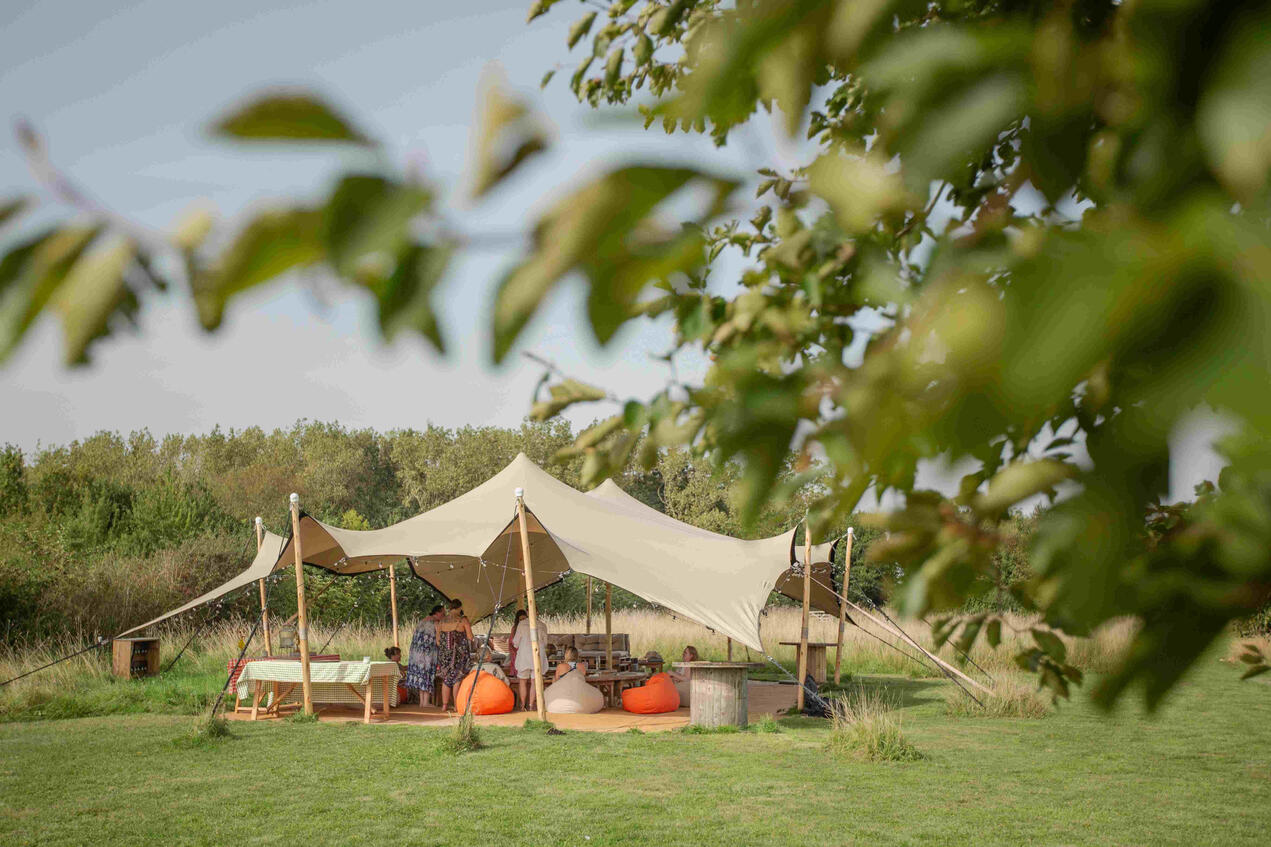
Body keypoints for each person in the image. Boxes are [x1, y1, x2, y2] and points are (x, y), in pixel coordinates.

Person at [436, 599, 473, 713]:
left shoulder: (442, 621)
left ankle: (444, 705)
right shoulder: (462, 620)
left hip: (444, 654)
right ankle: (457, 705)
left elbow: (438, 641)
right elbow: (470, 637)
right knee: (457, 679)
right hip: (459, 654)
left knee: (446, 679)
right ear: (459, 608)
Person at [404, 605, 443, 705]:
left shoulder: (422, 621)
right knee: (427, 676)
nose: (444, 615)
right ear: (437, 613)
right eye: (443, 613)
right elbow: (438, 640)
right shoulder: (436, 623)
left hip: (416, 654)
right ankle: (426, 703)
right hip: (428, 654)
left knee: (421, 676)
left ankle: (422, 702)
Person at [511, 609, 548, 711]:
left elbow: (515, 642)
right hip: (537, 654)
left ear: (527, 612)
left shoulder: (522, 624)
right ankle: (531, 705)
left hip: (524, 655)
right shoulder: (542, 625)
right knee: (534, 681)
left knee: (522, 681)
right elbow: (545, 643)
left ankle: (523, 705)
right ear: (537, 612)